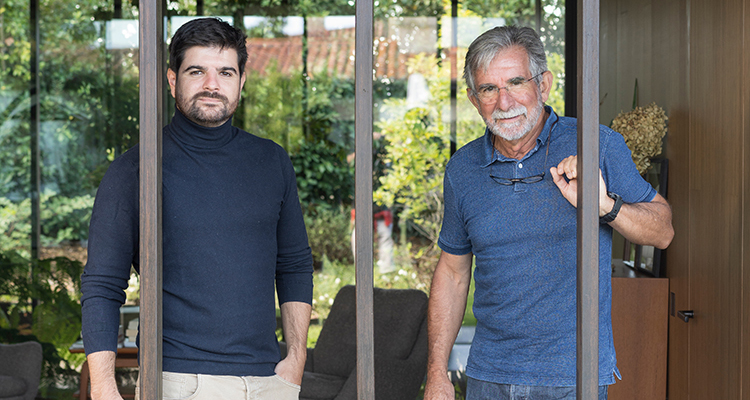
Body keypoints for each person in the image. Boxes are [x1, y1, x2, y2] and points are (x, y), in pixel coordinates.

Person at [423, 26, 674, 400]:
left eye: (515, 82)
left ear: (544, 85)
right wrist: (436, 371)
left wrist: (604, 205)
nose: (503, 102)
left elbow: (662, 231)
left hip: (574, 378)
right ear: (475, 100)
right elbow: (453, 273)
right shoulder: (463, 169)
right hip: (488, 377)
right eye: (489, 89)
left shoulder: (596, 145)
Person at [80, 18, 313, 400]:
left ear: (241, 81)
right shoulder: (135, 169)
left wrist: (295, 360)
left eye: (225, 72)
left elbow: (295, 265)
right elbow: (103, 285)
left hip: (271, 382)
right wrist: (105, 389)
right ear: (173, 80)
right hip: (176, 381)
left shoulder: (271, 161)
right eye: (196, 71)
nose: (212, 84)